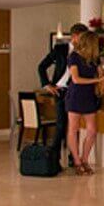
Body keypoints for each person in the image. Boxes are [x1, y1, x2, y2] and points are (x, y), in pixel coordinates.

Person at [42, 23, 88, 167]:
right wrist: (47, 84)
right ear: (74, 36)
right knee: (61, 126)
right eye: (82, 37)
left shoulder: (85, 52)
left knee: (74, 127)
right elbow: (41, 66)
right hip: (61, 91)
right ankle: (53, 160)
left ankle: (72, 158)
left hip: (75, 92)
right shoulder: (60, 49)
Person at [65, 30, 104, 175]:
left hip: (89, 96)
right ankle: (77, 160)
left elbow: (102, 75)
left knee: (92, 130)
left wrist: (102, 78)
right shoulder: (74, 57)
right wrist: (97, 80)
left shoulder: (94, 60)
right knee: (73, 128)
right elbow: (76, 79)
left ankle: (84, 158)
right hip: (75, 95)